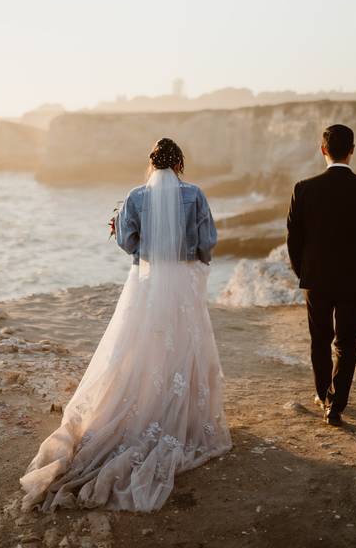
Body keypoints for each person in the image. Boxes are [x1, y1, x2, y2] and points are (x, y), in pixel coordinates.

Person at [20, 137, 231, 512]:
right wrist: (193, 263)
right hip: (181, 284)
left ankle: (141, 411)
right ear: (179, 163)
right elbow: (207, 241)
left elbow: (128, 242)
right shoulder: (194, 194)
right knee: (183, 346)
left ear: (151, 163)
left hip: (147, 284)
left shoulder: (136, 196)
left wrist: (127, 235)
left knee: (139, 348)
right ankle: (185, 420)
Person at [286, 124, 356, 426]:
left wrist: (301, 272)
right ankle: (337, 404)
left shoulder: (303, 189)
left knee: (320, 339)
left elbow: (294, 238)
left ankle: (322, 394)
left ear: (323, 150)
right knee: (346, 342)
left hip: (315, 279)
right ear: (352, 150)